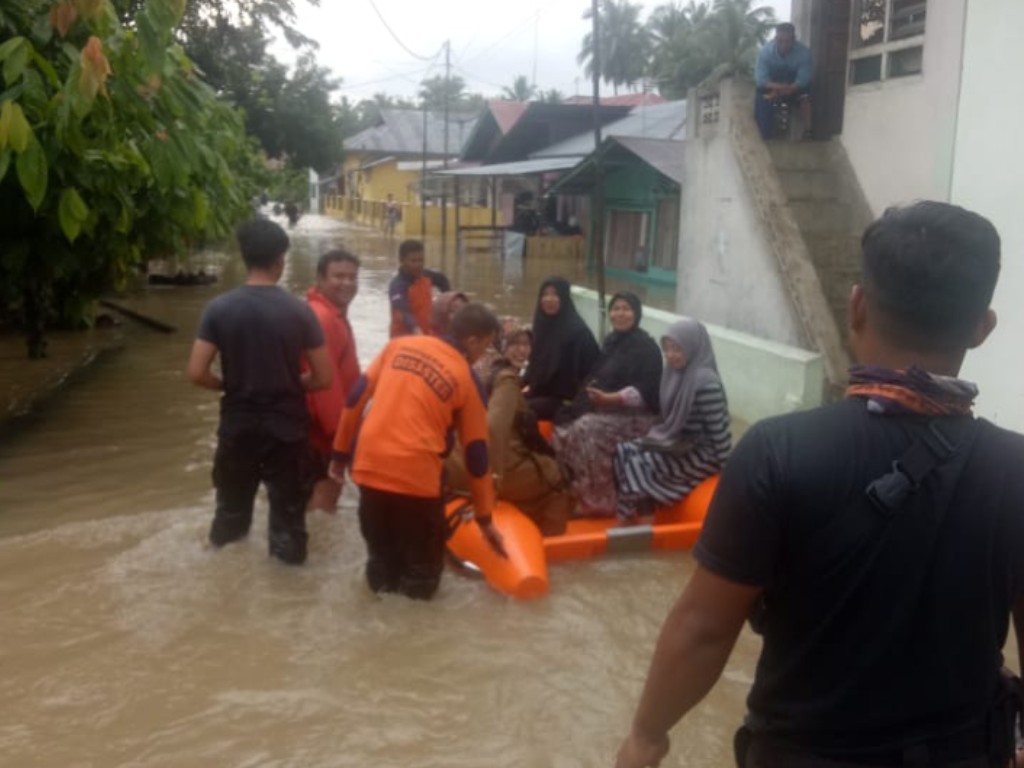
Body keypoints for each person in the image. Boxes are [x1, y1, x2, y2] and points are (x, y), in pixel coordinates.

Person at [615, 202, 1024, 768]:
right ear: (982, 328)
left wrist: (646, 736)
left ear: (856, 306)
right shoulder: (1016, 470)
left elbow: (704, 629)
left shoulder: (775, 452)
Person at [329, 303, 506, 600]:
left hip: (369, 471)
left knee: (381, 566)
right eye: (486, 346)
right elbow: (476, 454)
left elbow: (355, 398)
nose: (483, 356)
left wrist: (338, 455)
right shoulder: (467, 378)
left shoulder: (398, 346)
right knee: (421, 577)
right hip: (418, 482)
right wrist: (485, 519)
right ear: (473, 341)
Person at [186, 218, 332, 565]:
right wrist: (292, 382)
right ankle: (286, 596)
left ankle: (222, 582)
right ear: (280, 260)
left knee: (230, 517)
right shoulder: (300, 311)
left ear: (245, 258)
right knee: (288, 522)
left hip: (238, 426)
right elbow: (324, 377)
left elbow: (196, 372)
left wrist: (228, 385)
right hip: (287, 429)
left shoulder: (219, 309)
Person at [448, 324, 575, 537]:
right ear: (501, 345)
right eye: (514, 344)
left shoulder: (479, 369)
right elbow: (494, 429)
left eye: (526, 344)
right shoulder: (506, 379)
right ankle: (552, 546)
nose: (521, 350)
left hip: (458, 457)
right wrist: (491, 480)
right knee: (558, 479)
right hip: (487, 463)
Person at [553, 292, 663, 516]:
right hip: (608, 410)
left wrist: (612, 398)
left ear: (637, 314)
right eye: (616, 309)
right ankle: (576, 489)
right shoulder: (611, 343)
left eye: (626, 309)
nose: (620, 314)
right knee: (563, 425)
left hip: (639, 416)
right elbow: (596, 378)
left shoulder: (647, 348)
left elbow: (647, 392)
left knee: (587, 429)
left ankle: (601, 500)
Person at [613, 318, 732, 522]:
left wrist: (728, 471)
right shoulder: (675, 373)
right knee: (624, 451)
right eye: (667, 349)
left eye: (677, 349)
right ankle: (641, 510)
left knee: (640, 463)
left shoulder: (706, 383)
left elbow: (718, 431)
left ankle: (636, 519)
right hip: (678, 442)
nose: (670, 356)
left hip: (703, 451)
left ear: (692, 347)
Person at [304, 249, 361, 514]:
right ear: (320, 279)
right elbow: (325, 387)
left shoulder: (326, 313)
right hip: (322, 436)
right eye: (339, 276)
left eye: (352, 277)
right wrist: (342, 443)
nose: (347, 283)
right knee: (323, 506)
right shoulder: (324, 319)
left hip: (314, 431)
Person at [524, 277, 601, 421]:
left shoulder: (578, 333)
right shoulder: (542, 327)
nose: (549, 299)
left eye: (555, 294)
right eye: (545, 294)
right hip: (541, 391)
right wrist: (520, 383)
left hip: (565, 399)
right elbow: (535, 366)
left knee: (522, 410)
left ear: (564, 298)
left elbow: (588, 376)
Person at [755, 22, 813, 140]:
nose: (784, 45)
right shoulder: (765, 53)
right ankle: (765, 135)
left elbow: (803, 79)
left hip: (795, 87)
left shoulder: (804, 53)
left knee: (806, 96)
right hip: (773, 87)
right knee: (761, 97)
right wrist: (779, 89)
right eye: (780, 40)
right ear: (776, 39)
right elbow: (761, 80)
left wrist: (790, 89)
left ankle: (808, 132)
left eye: (788, 41)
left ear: (794, 39)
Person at [388, 239, 451, 338]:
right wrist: (415, 329)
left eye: (421, 260)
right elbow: (403, 312)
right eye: (413, 261)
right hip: (403, 341)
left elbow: (443, 281)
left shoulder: (427, 276)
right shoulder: (397, 286)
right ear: (401, 260)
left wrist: (448, 307)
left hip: (425, 337)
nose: (418, 265)